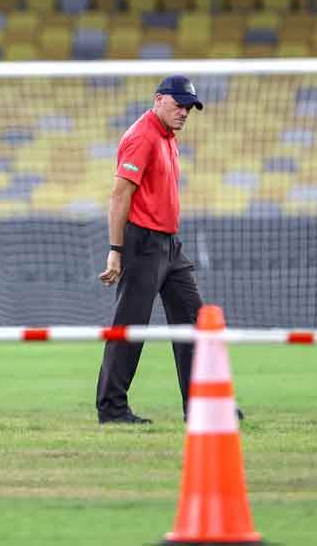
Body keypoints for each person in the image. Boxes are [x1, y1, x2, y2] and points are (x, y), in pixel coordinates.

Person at [96, 75, 205, 425]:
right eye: (179, 104)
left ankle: (202, 405)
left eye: (189, 107)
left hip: (170, 246)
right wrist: (116, 249)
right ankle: (111, 409)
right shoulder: (142, 136)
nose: (185, 112)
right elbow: (119, 195)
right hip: (142, 243)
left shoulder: (166, 137)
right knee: (130, 327)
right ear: (159, 100)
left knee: (196, 322)